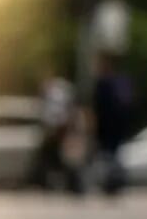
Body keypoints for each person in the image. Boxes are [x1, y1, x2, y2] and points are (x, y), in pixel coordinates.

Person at [87, 51, 138, 199]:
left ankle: (110, 185)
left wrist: (93, 127)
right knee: (116, 157)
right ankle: (116, 184)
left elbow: (97, 109)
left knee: (107, 158)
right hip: (120, 127)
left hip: (106, 129)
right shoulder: (122, 81)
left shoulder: (102, 83)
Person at [36, 73, 79, 193]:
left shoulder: (56, 94)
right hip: (58, 130)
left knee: (62, 158)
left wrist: (58, 130)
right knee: (55, 158)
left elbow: (57, 115)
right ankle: (59, 182)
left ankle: (72, 183)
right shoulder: (59, 92)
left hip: (59, 130)